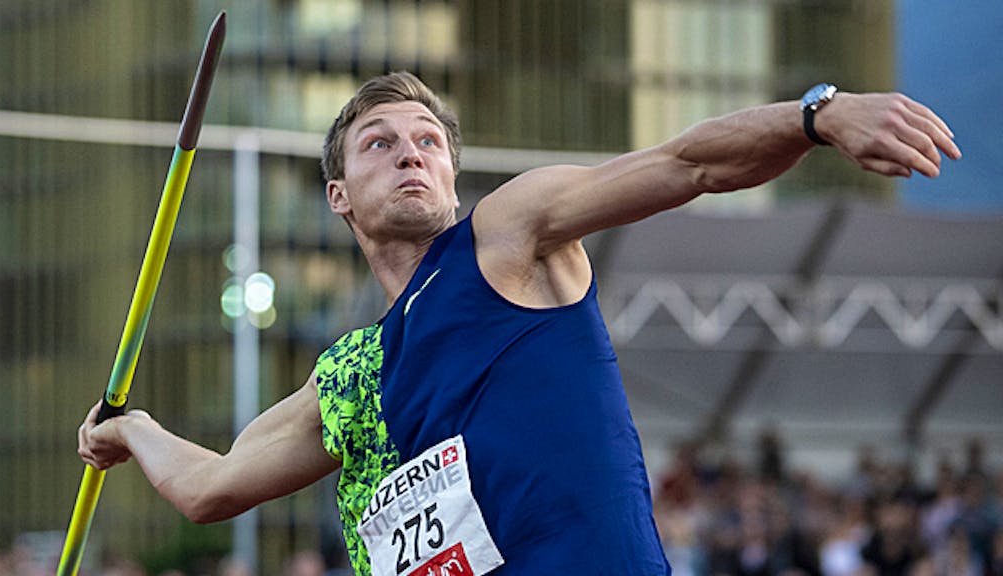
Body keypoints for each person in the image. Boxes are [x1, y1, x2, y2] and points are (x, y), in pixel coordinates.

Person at [78, 71, 960, 576]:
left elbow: (687, 165)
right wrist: (135, 430)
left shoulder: (506, 237)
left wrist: (818, 115)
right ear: (340, 197)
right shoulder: (350, 378)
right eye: (380, 142)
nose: (411, 152)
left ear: (453, 178)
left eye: (427, 140)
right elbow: (211, 487)